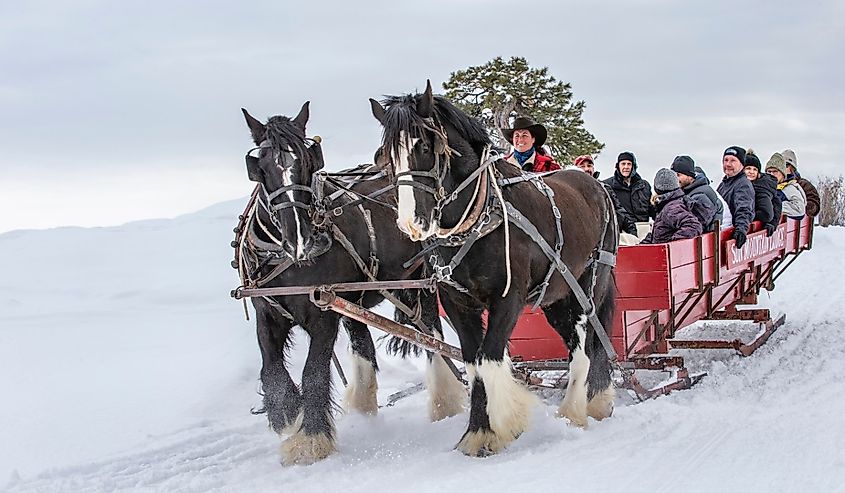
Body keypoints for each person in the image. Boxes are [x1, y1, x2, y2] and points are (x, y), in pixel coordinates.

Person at [572, 155, 638, 236]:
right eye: (582, 166)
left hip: (602, 236)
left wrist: (632, 231)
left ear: (593, 168)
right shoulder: (570, 190)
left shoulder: (604, 188)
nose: (586, 169)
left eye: (589, 166)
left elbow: (619, 211)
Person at [641, 168, 702, 244]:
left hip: (665, 253)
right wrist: (639, 247)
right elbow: (656, 235)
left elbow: (693, 225)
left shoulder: (671, 209)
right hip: (658, 251)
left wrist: (671, 244)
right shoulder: (669, 204)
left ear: (657, 188)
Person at [716, 146, 755, 248]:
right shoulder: (725, 183)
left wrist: (741, 230)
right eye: (726, 160)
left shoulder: (743, 184)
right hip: (722, 231)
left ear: (742, 164)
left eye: (733, 160)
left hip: (729, 233)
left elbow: (744, 208)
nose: (728, 164)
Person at [671, 155, 720, 231]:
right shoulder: (687, 192)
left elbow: (696, 225)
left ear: (690, 176)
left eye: (678, 175)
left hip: (703, 240)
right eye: (673, 175)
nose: (676, 179)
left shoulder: (701, 195)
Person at [602, 151, 653, 222]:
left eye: (629, 164)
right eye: (623, 164)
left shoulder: (644, 186)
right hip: (620, 229)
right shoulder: (607, 185)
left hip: (643, 226)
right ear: (618, 166)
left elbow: (652, 209)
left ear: (633, 166)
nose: (626, 167)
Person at [743, 149, 781, 236]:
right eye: (748, 168)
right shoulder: (736, 184)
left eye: (755, 169)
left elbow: (769, 211)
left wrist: (746, 214)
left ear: (758, 172)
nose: (751, 172)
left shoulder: (761, 188)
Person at [766, 152, 806, 219]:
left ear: (782, 174)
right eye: (769, 171)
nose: (772, 174)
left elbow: (799, 209)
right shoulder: (764, 186)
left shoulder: (789, 188)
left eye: (775, 171)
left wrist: (773, 207)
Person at [781, 149, 820, 217]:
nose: (783, 168)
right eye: (781, 165)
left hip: (793, 221)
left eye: (786, 165)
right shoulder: (772, 183)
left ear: (792, 168)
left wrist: (800, 205)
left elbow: (814, 206)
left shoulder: (803, 185)